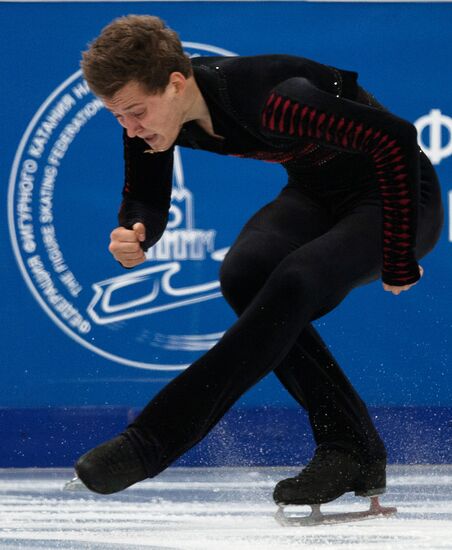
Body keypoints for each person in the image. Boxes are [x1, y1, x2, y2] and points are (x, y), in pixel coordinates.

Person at [75, 15, 444, 507]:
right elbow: (146, 196)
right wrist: (137, 230)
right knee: (244, 274)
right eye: (117, 116)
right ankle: (351, 447)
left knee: (296, 279)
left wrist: (398, 253)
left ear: (176, 84)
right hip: (317, 194)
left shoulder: (275, 102)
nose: (129, 127)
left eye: (135, 113)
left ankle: (152, 441)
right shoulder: (149, 115)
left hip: (399, 198)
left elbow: (395, 140)